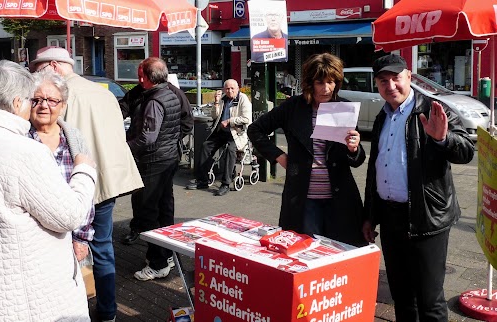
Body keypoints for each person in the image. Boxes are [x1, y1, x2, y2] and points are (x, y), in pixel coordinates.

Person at [0, 60, 97, 321]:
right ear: (17, 103)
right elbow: (70, 215)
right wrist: (84, 171)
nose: (37, 106)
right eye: (32, 99)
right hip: (21, 301)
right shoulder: (25, 152)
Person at [30, 46, 144, 322]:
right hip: (106, 181)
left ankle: (69, 310)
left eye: (37, 68)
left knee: (64, 251)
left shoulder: (58, 96)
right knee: (103, 247)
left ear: (53, 66)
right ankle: (108, 311)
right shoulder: (102, 91)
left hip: (71, 185)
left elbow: (53, 138)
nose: (34, 74)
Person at [362, 54, 475, 322]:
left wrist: (443, 139)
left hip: (427, 218)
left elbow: (467, 152)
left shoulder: (435, 109)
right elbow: (375, 169)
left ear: (409, 77)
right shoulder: (383, 116)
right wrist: (370, 215)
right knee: (402, 296)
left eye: (395, 78)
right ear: (376, 85)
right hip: (390, 219)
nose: (390, 86)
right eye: (382, 81)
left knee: (430, 301)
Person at [247, 53, 367, 247]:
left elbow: (358, 159)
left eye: (331, 82)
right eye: (320, 82)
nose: (326, 88)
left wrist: (354, 148)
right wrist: (279, 156)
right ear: (310, 82)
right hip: (303, 199)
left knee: (337, 255)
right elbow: (255, 129)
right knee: (304, 252)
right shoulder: (293, 107)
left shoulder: (343, 107)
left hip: (339, 199)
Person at [126, 57, 188, 280]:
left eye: (140, 75)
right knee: (163, 210)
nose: (138, 79)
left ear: (145, 77)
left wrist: (125, 147)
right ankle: (167, 254)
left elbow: (147, 138)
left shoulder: (154, 100)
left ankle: (158, 263)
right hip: (168, 158)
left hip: (154, 162)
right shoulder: (171, 93)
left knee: (148, 214)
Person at [119, 69, 194, 246]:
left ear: (151, 77)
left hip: (158, 154)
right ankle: (140, 229)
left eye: (141, 76)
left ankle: (162, 241)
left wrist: (168, 140)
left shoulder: (171, 94)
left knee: (159, 200)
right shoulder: (140, 91)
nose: (139, 79)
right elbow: (123, 107)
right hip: (143, 153)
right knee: (141, 195)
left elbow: (186, 121)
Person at [28, 69, 95, 262]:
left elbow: (87, 192)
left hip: (70, 234)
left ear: (63, 105)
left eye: (52, 100)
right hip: (34, 238)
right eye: (37, 99)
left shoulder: (73, 138)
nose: (43, 106)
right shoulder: (20, 138)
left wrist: (81, 237)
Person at [186, 79, 252, 196]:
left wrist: (230, 121)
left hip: (237, 133)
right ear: (223, 89)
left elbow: (247, 119)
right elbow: (214, 116)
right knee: (206, 146)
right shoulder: (223, 99)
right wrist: (216, 103)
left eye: (232, 88)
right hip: (222, 132)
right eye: (227, 88)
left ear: (237, 89)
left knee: (230, 150)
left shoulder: (243, 99)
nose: (230, 91)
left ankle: (225, 183)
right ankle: (203, 180)